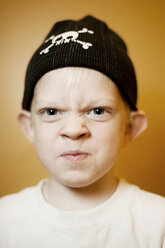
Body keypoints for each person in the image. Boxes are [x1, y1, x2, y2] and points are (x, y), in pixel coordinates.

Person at [0, 15, 164, 248]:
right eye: (51, 111)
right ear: (29, 127)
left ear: (130, 127)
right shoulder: (5, 221)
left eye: (98, 110)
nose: (74, 130)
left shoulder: (158, 224)